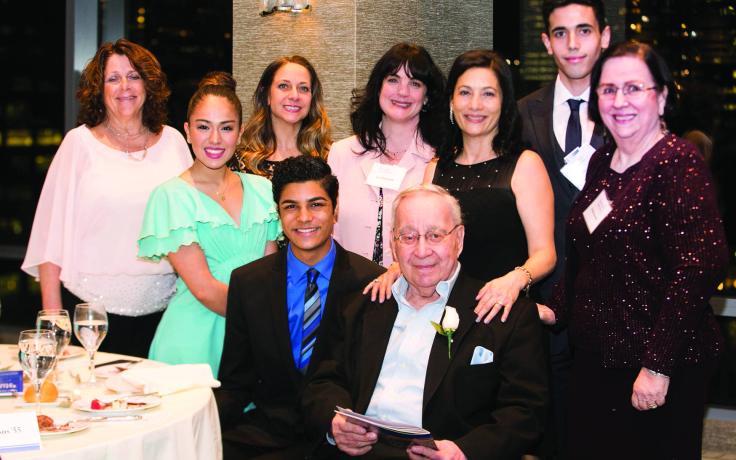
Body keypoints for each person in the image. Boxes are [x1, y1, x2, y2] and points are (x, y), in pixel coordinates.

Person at [538, 40, 728, 459]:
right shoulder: (603, 161)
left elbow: (699, 268)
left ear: (661, 96)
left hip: (657, 366)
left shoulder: (678, 163)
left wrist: (657, 366)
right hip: (595, 361)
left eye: (633, 88)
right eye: (607, 90)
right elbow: (589, 251)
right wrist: (558, 308)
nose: (618, 100)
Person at [303, 185, 548, 459]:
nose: (421, 251)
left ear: (459, 238)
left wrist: (463, 452)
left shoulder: (506, 316)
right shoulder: (361, 304)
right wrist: (335, 425)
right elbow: (321, 381)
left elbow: (526, 412)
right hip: (357, 453)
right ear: (393, 245)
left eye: (434, 235)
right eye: (408, 236)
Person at [21, 39, 192, 357]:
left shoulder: (174, 142)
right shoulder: (78, 144)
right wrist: (53, 319)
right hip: (89, 320)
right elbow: (50, 236)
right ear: (99, 89)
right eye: (113, 78)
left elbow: (195, 229)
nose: (124, 87)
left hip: (167, 317)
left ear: (149, 84)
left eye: (134, 76)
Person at [215, 156, 384, 460]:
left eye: (317, 204)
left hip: (343, 438)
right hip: (268, 434)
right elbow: (235, 383)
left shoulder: (372, 284)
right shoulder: (248, 283)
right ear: (278, 213)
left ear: (336, 210)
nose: (304, 217)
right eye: (291, 206)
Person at [137, 76, 282, 376]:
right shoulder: (170, 197)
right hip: (191, 346)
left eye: (226, 127)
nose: (215, 139)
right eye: (203, 127)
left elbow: (271, 273)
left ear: (240, 133)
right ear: (188, 132)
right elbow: (203, 289)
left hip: (252, 345)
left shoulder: (262, 189)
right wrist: (270, 324)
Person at [516, 1, 610, 454]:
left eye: (584, 31)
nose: (572, 44)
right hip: (544, 299)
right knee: (549, 431)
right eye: (560, 33)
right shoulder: (520, 112)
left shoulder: (625, 108)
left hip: (612, 301)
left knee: (606, 429)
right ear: (546, 42)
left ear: (604, 37)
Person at [424, 49, 556, 323]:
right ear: (451, 101)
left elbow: (545, 254)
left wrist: (514, 281)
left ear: (505, 103)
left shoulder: (525, 164)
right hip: (445, 318)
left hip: (506, 316)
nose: (475, 105)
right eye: (464, 93)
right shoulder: (433, 169)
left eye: (488, 94)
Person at [328, 42, 446, 267]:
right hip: (347, 290)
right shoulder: (341, 153)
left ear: (427, 96)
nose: (402, 92)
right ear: (378, 87)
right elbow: (330, 232)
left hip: (416, 291)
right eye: (393, 80)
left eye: (415, 83)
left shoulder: (440, 160)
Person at [236, 56, 331, 178]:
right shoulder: (239, 161)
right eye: (283, 86)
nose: (295, 96)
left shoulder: (331, 157)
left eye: (303, 88)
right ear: (267, 95)